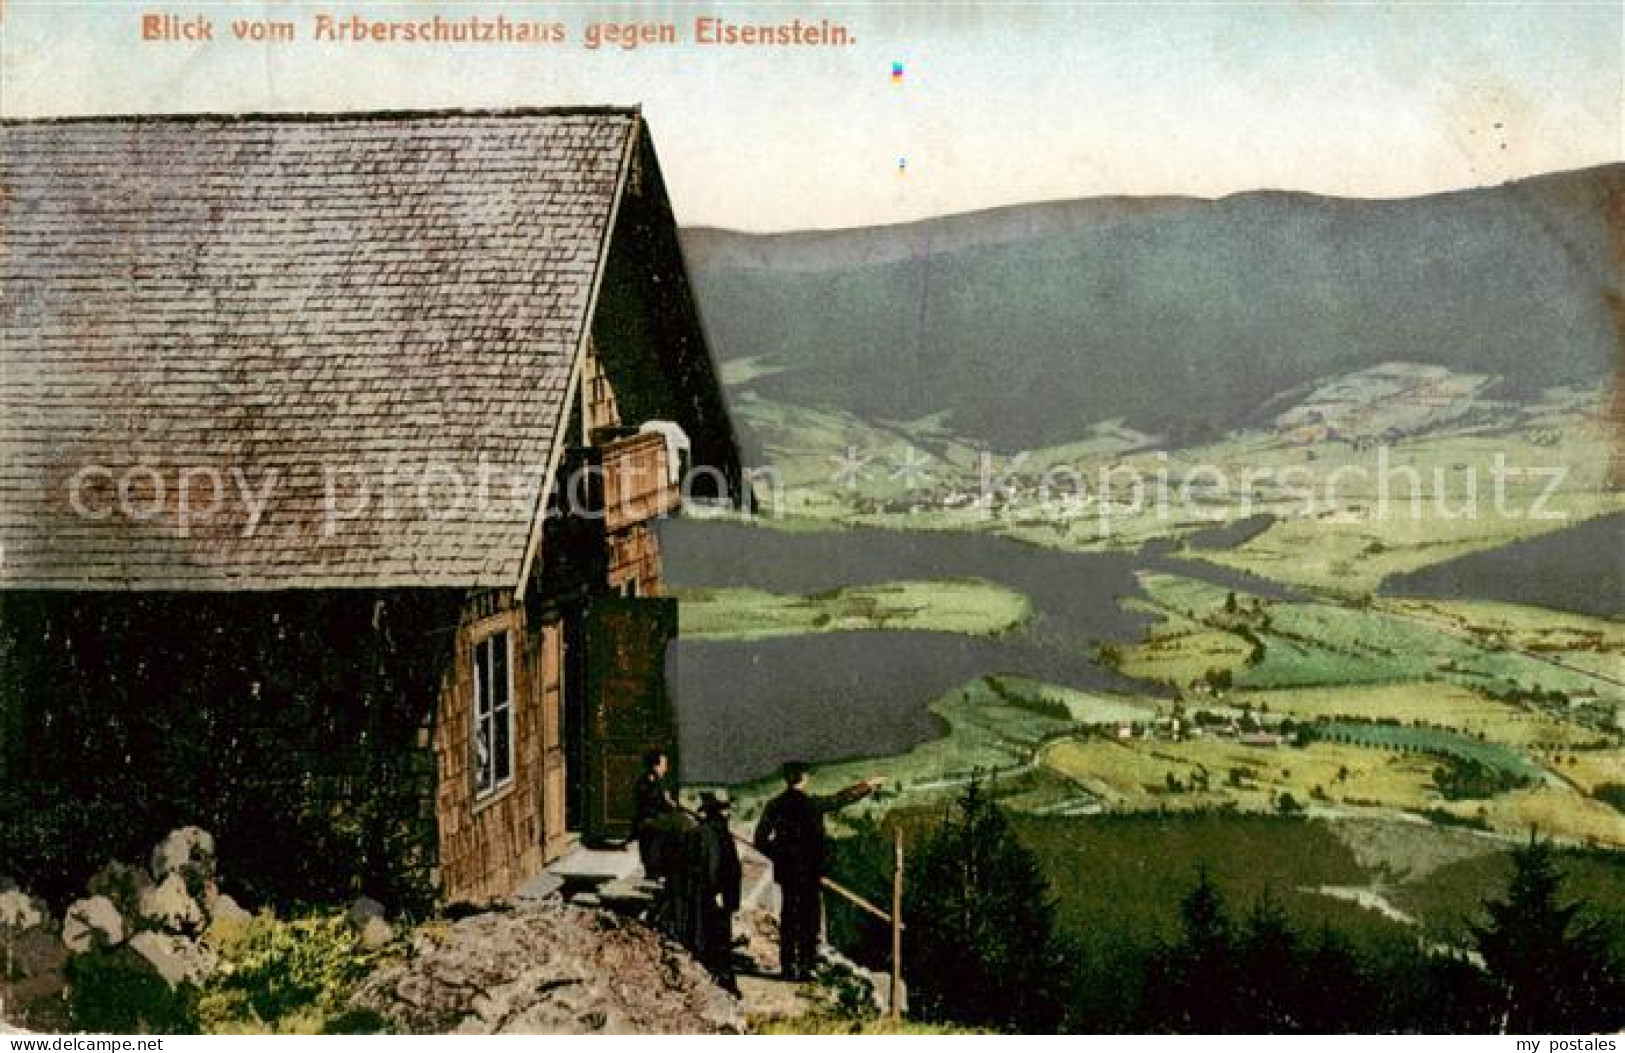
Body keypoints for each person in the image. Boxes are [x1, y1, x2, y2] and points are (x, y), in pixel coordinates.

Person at [753, 762, 884, 981]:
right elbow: (840, 799)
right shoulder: (812, 805)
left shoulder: (775, 805)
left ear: (786, 779)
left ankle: (787, 968)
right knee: (809, 920)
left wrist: (780, 855)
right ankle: (806, 967)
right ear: (804, 778)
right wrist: (867, 786)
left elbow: (760, 840)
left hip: (787, 873)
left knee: (788, 918)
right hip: (811, 872)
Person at [688, 791, 743, 994]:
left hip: (702, 895)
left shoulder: (698, 833)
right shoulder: (720, 835)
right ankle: (725, 984)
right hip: (717, 895)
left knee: (703, 938)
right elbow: (729, 869)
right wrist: (729, 899)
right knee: (720, 941)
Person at [632, 748, 680, 881]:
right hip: (653, 822)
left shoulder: (654, 779)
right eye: (663, 764)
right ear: (656, 765)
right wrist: (669, 802)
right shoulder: (651, 780)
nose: (665, 767)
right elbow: (656, 801)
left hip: (653, 821)